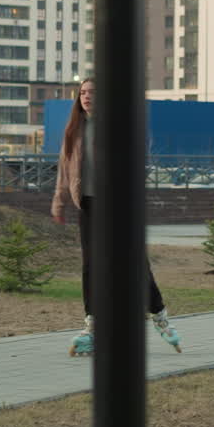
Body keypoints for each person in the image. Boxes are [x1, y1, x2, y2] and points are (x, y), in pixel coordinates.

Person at [51, 78, 181, 357]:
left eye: (93, 93)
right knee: (91, 267)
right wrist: (59, 202)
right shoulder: (73, 129)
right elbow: (65, 169)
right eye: (83, 93)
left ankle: (159, 315)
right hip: (88, 205)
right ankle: (92, 324)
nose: (86, 97)